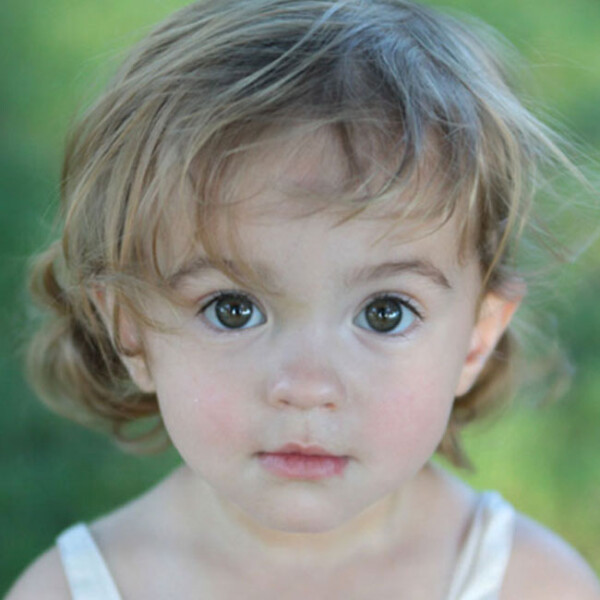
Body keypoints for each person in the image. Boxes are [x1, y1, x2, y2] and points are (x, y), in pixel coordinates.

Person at [6, 0, 600, 598]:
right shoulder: (74, 589)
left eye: (384, 313)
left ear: (477, 338)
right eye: (232, 309)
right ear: (131, 331)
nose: (308, 386)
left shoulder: (530, 585)